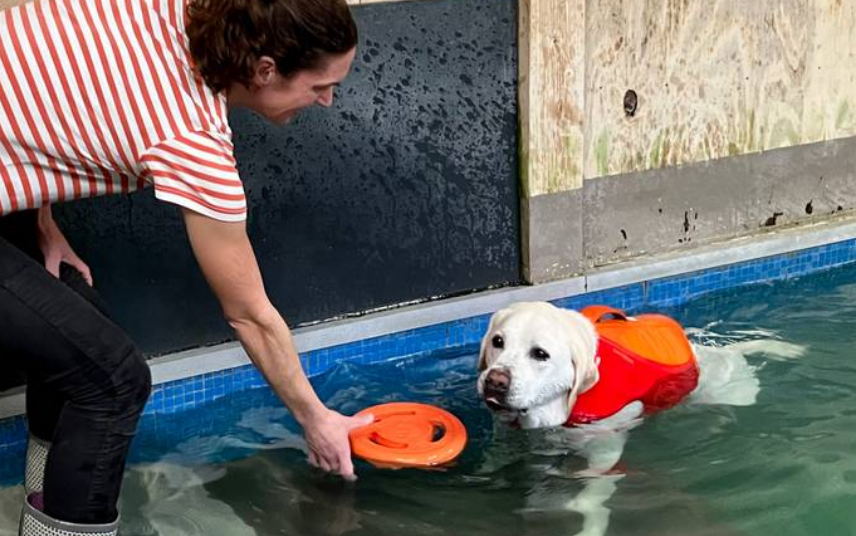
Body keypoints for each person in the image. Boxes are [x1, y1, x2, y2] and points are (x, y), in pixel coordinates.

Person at [0, 0, 372, 534]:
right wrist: (317, 419)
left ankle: (36, 503)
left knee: (77, 321)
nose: (329, 101)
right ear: (265, 70)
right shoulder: (194, 140)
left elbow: (32, 93)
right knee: (112, 381)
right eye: (319, 86)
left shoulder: (176, 9)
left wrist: (42, 223)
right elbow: (249, 315)